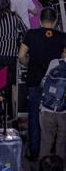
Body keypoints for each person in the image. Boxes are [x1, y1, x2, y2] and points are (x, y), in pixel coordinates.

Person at [18, 8, 66, 161]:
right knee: (56, 118)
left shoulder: (31, 34)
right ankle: (56, 156)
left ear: (39, 21)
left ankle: (34, 152)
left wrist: (28, 64)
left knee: (34, 117)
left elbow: (21, 56)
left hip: (34, 82)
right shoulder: (62, 37)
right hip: (56, 87)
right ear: (55, 21)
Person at [0, 0, 27, 114]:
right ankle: (11, 113)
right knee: (11, 86)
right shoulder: (14, 17)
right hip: (11, 55)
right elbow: (26, 31)